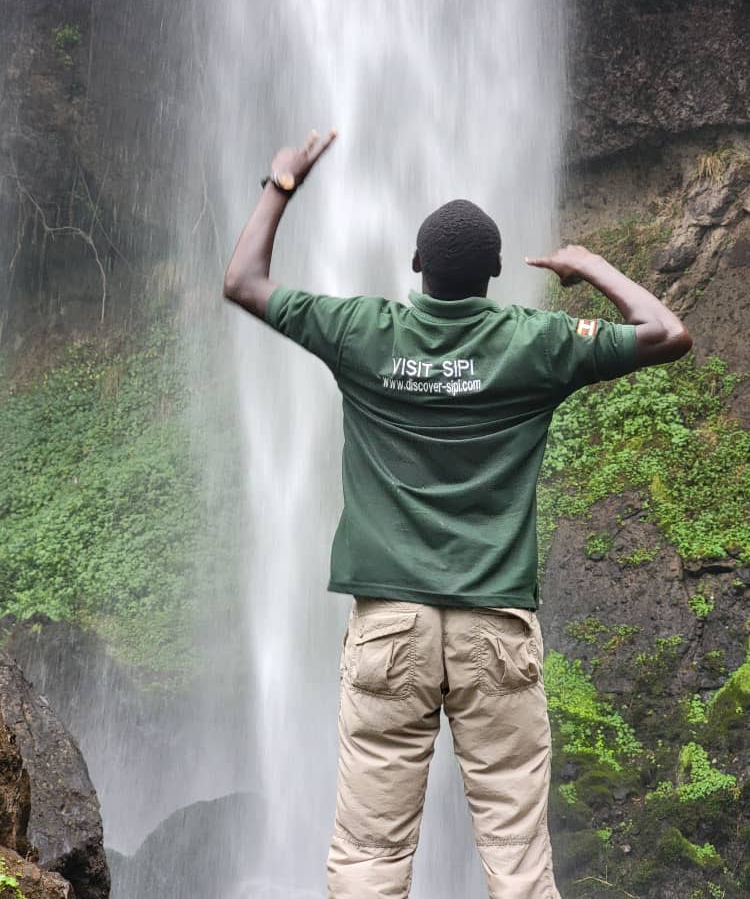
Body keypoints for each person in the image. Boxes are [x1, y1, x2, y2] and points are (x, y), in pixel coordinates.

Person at [223, 130, 692, 899]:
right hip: (495, 633)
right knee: (518, 859)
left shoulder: (361, 332)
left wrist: (280, 182)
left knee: (369, 859)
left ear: (415, 266)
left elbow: (243, 281)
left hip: (388, 633)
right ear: (496, 274)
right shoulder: (537, 344)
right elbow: (669, 333)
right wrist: (590, 265)